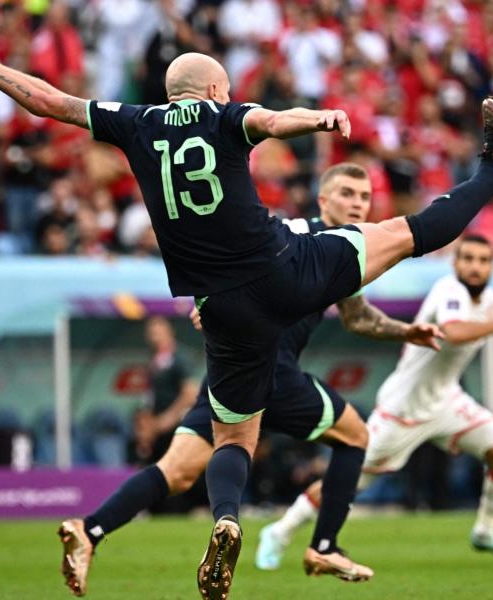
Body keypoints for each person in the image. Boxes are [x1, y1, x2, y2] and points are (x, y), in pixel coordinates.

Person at [0, 21, 493, 600]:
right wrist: (315, 118)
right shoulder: (223, 113)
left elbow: (46, 100)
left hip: (221, 305)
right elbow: (270, 121)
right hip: (283, 267)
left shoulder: (135, 123)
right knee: (409, 232)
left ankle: (227, 520)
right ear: (212, 90)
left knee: (233, 436)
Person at [57, 162, 441, 593]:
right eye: (347, 193)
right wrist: (211, 303)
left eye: (364, 197)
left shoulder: (346, 251)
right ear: (323, 199)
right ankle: (325, 544)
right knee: (355, 436)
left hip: (231, 376)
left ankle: (89, 531)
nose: (357, 202)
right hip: (274, 373)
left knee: (176, 470)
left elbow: (357, 317)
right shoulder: (295, 234)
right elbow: (240, 264)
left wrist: (404, 330)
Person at [257, 235, 493, 567]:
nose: (475, 267)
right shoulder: (448, 290)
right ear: (455, 262)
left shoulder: (491, 300)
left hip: (447, 401)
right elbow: (452, 333)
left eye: (483, 260)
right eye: (468, 258)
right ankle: (279, 531)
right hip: (403, 410)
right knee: (349, 481)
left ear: (492, 266)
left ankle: (484, 531)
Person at [142, 316, 200, 455]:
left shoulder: (180, 357)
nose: (155, 337)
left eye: (158, 332)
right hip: (158, 428)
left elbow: (190, 394)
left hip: (177, 426)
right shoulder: (154, 359)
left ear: (169, 332)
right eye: (151, 333)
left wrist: (165, 420)